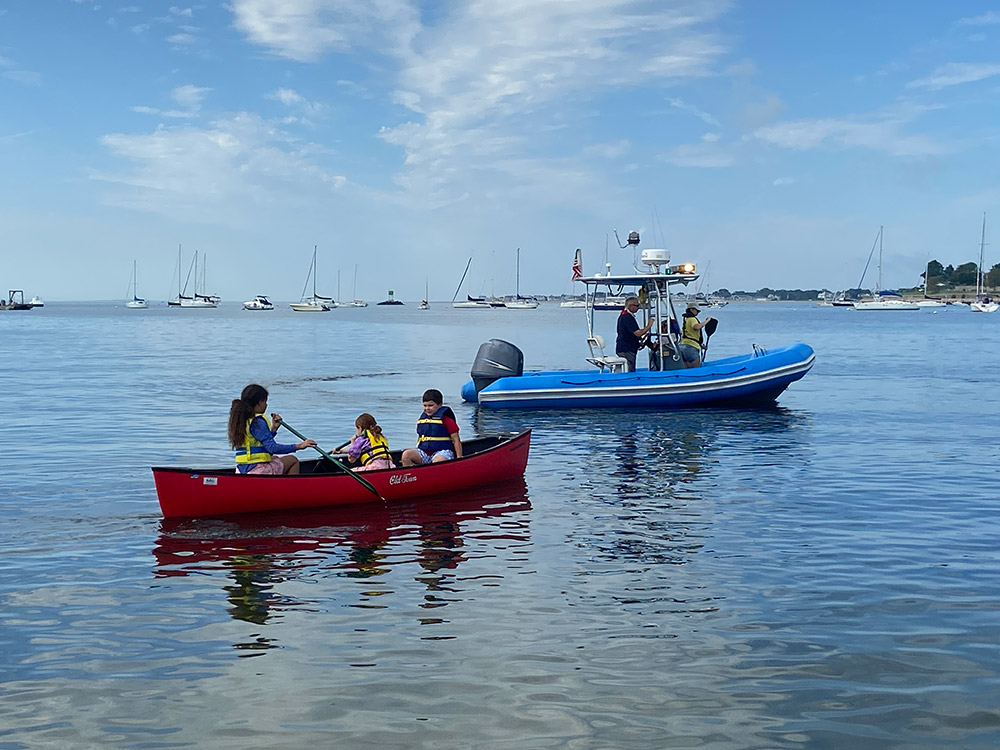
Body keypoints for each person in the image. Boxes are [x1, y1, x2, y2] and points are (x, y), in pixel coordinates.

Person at [228, 384, 316, 475]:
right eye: (265, 401)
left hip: (241, 470)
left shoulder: (241, 420)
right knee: (293, 460)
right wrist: (300, 446)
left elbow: (259, 441)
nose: (266, 405)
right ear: (259, 402)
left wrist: (273, 429)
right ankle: (289, 488)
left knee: (274, 458)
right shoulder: (257, 421)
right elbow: (272, 448)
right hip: (258, 470)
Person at [400, 389, 463, 466]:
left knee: (438, 461)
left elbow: (456, 439)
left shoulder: (447, 420)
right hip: (424, 452)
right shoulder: (422, 420)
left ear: (439, 405)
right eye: (425, 405)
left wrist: (459, 457)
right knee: (406, 455)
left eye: (430, 405)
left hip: (442, 452)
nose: (427, 408)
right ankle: (411, 476)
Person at [615, 296, 654, 372]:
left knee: (630, 366)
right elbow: (638, 333)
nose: (638, 307)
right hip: (626, 349)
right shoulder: (627, 317)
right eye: (637, 305)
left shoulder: (626, 316)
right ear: (630, 306)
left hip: (626, 347)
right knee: (630, 368)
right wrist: (649, 325)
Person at [680, 303, 713, 368]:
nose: (698, 313)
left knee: (687, 368)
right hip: (691, 347)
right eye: (697, 311)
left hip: (683, 345)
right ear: (691, 309)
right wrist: (707, 321)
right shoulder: (692, 319)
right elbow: (696, 327)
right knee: (696, 368)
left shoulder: (686, 319)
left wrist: (701, 345)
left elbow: (689, 335)